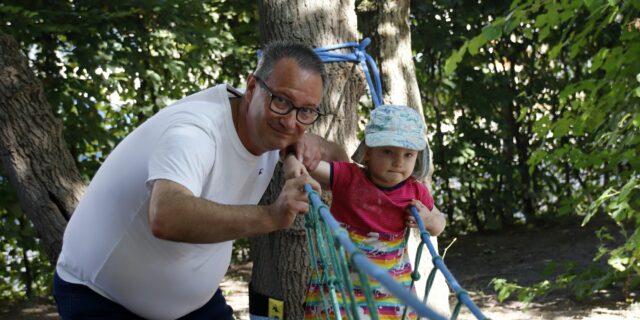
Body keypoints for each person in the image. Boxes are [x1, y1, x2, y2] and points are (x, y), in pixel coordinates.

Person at [53, 41, 349, 320]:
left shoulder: (277, 133)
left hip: (195, 306)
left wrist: (315, 143)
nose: (290, 120)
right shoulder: (196, 131)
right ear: (251, 87)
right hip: (102, 299)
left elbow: (344, 167)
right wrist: (272, 216)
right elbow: (167, 216)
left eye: (306, 111)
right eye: (281, 101)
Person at [283, 104, 446, 319]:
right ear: (368, 152)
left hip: (390, 286)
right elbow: (308, 165)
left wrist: (427, 219)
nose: (398, 162)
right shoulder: (348, 177)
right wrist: (291, 160)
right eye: (388, 151)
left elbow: (439, 224)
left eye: (408, 155)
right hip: (341, 278)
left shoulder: (415, 191)